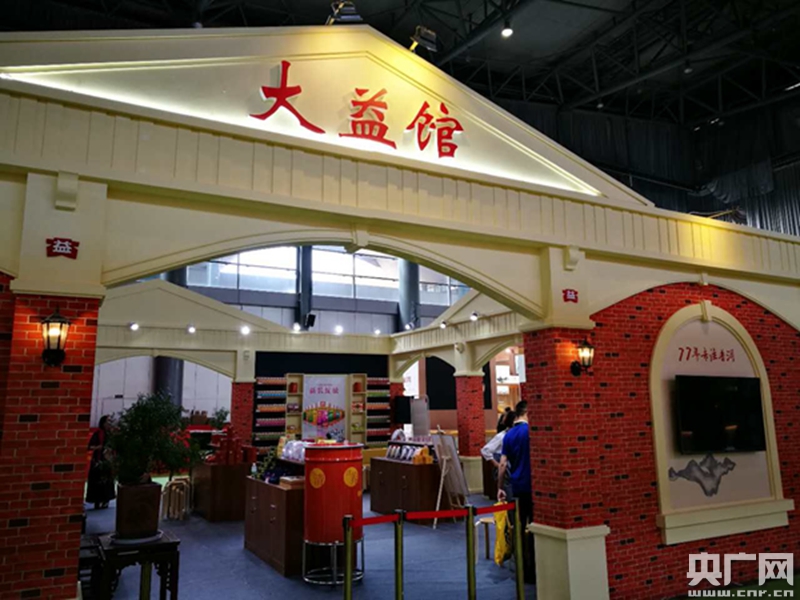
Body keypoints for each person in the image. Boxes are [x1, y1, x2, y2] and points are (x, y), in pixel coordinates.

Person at [497, 401, 534, 582]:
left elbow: (502, 464)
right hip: (533, 486)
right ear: (527, 413)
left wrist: (500, 487)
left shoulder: (508, 435)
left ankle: (521, 567)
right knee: (534, 529)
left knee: (518, 528)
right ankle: (533, 569)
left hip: (516, 486)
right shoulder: (531, 432)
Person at [482, 410, 516, 498]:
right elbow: (485, 450)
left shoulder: (514, 434)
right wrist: (496, 464)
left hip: (512, 467)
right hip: (505, 468)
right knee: (508, 493)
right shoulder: (501, 436)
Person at [86, 415, 115, 509]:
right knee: (96, 481)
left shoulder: (111, 434)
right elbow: (89, 447)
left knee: (107, 481)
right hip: (98, 460)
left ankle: (106, 500)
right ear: (103, 423)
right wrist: (98, 447)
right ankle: (97, 500)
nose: (109, 424)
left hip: (107, 460)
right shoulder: (97, 433)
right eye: (108, 422)